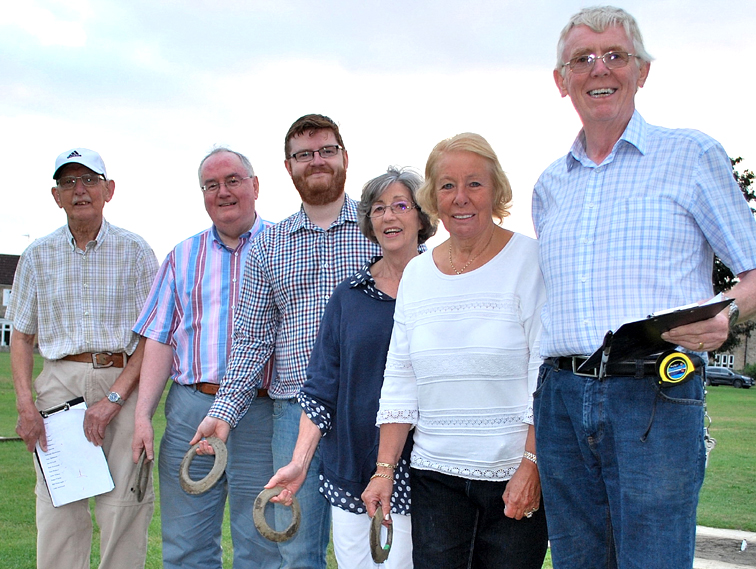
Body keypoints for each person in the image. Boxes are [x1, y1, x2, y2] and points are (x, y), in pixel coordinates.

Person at [532, 7, 756, 569]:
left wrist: (727, 316)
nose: (598, 69)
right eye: (582, 59)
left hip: (655, 390)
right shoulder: (549, 186)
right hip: (560, 395)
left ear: (643, 71)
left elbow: (752, 272)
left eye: (615, 56)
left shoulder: (692, 155)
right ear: (562, 81)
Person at [192, 114, 381, 569]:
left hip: (371, 409)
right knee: (295, 548)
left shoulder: (382, 229)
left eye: (326, 151)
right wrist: (222, 414)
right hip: (294, 412)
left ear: (345, 158)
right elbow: (253, 341)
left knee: (375, 544)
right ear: (288, 167)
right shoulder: (269, 246)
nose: (316, 161)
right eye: (304, 155)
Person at [362, 133, 549, 569]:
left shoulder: (531, 260)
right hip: (436, 480)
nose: (460, 198)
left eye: (474, 184)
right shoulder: (418, 274)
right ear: (433, 196)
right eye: (447, 185)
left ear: (497, 190)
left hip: (512, 476)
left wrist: (532, 465)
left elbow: (544, 373)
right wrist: (384, 470)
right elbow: (401, 377)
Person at [267, 167, 436, 568]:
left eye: (400, 206)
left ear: (422, 216)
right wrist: (299, 462)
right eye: (378, 209)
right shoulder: (348, 296)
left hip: (423, 470)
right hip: (351, 469)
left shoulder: (441, 285)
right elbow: (322, 388)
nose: (389, 217)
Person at [7, 148, 158, 569]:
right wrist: (25, 405)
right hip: (59, 384)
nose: (80, 190)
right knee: (60, 509)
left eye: (89, 180)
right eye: (69, 182)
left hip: (122, 381)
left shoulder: (135, 251)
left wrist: (114, 399)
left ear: (109, 190)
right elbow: (20, 337)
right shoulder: (37, 255)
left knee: (123, 507)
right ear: (56, 195)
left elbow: (153, 335)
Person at [131, 148, 281, 569]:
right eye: (211, 185)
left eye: (233, 180)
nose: (223, 192)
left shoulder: (285, 248)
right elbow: (160, 340)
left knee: (262, 544)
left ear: (255, 186)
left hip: (261, 411)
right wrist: (144, 415)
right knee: (186, 545)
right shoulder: (181, 256)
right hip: (190, 410)